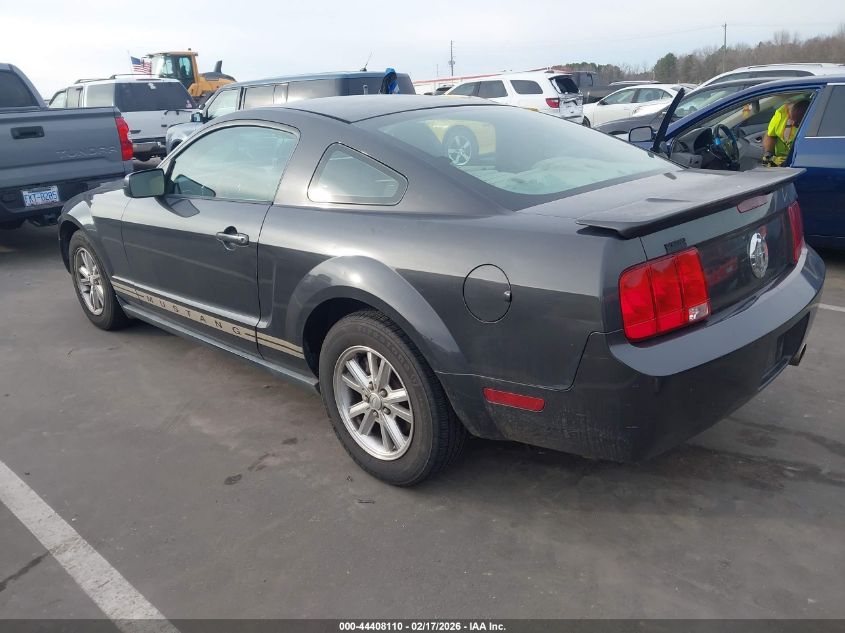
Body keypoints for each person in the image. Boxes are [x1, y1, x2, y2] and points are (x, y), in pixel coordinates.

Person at [762, 98, 810, 166]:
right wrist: (768, 154)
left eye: (798, 123)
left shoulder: (815, 124)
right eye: (792, 120)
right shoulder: (781, 113)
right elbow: (770, 135)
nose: (794, 124)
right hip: (777, 162)